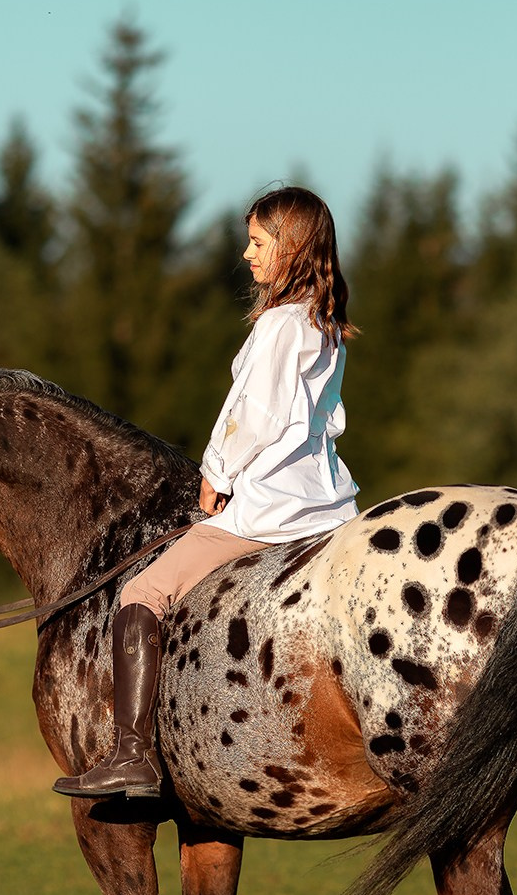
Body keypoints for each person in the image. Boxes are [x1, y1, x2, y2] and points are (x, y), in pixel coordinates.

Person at [53, 185, 359, 799]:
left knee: (142, 592)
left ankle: (133, 755)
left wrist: (216, 474)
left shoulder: (278, 325)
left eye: (259, 243)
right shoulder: (323, 325)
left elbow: (255, 414)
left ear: (291, 248)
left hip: (266, 508)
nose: (247, 255)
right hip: (327, 506)